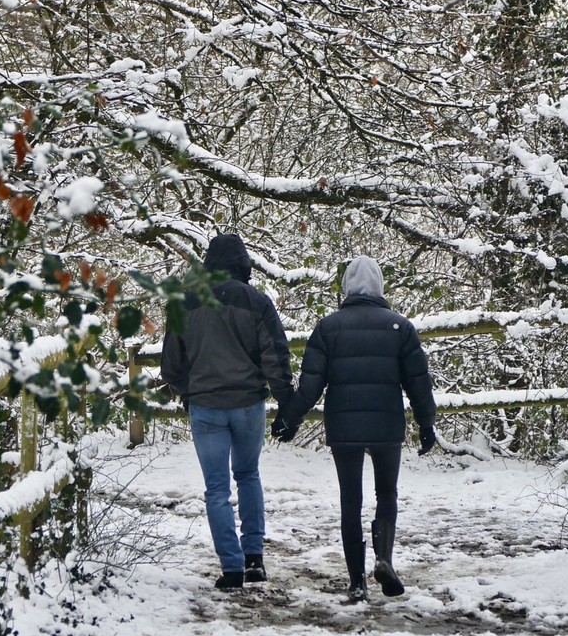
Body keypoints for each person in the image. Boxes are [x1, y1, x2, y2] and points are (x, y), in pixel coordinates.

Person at [273, 256, 437, 602]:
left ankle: (356, 582)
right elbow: (418, 384)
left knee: (351, 500)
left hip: (344, 425)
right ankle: (384, 558)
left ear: (346, 287)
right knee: (386, 494)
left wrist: (290, 418)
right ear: (380, 285)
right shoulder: (400, 327)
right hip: (386, 423)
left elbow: (311, 385)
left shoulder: (329, 328)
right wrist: (426, 423)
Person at [160, 234, 294, 590]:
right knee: (248, 475)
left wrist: (190, 390)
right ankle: (255, 559)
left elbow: (171, 365)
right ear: (243, 264)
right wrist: (285, 402)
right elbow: (274, 356)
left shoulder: (185, 303)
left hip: (206, 406)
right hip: (248, 404)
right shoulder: (257, 302)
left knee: (216, 488)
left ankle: (231, 567)